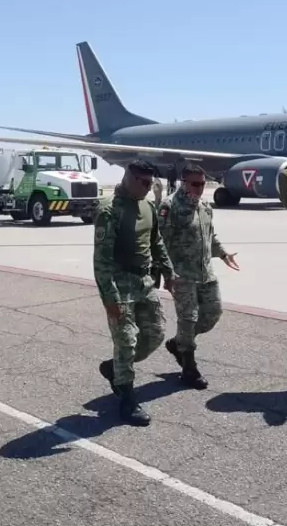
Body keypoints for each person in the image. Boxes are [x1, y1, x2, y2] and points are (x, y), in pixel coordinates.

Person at [93, 159, 175, 426]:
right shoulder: (109, 211)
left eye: (150, 183)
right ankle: (127, 400)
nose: (147, 188)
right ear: (128, 178)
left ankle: (114, 368)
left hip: (144, 282)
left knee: (155, 335)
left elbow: (156, 241)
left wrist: (168, 271)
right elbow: (101, 262)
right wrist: (110, 299)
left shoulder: (148, 206)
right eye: (142, 182)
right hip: (120, 284)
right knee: (126, 341)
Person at [158, 164, 239, 389]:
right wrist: (166, 273)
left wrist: (223, 253)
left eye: (203, 184)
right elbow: (160, 243)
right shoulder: (169, 206)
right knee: (188, 318)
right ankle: (189, 368)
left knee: (213, 313)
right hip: (182, 275)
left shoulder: (205, 207)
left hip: (205, 272)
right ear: (183, 183)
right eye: (195, 184)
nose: (201, 188)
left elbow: (210, 235)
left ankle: (178, 343)